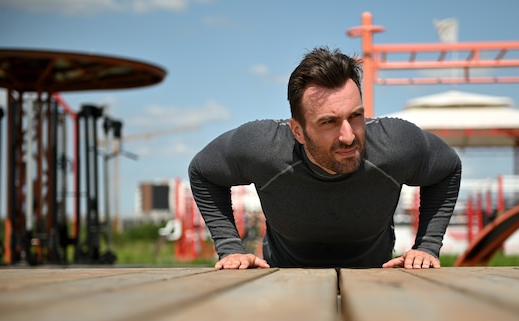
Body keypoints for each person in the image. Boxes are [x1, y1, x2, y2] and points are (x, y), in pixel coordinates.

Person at [189, 47, 461, 270]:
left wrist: (427, 246)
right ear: (298, 131)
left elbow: (448, 169)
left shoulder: (396, 143)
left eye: (355, 116)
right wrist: (230, 248)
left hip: (374, 279)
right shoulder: (262, 147)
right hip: (284, 278)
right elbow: (203, 172)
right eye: (329, 122)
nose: (348, 136)